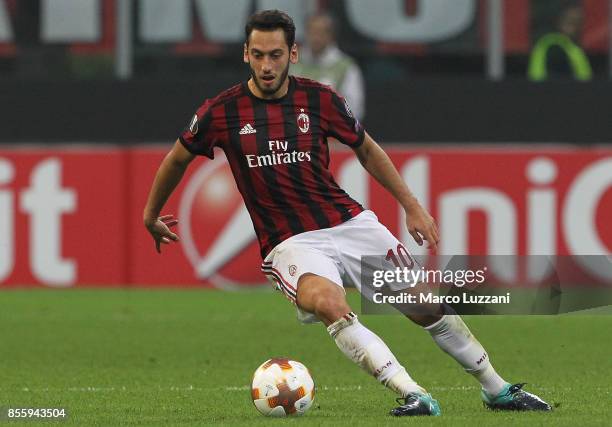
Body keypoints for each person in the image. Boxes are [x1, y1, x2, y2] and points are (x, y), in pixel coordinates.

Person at [143, 10, 551, 416]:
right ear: (245, 55)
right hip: (290, 243)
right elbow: (177, 159)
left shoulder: (319, 99)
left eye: (276, 54)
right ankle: (412, 393)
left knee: (426, 304)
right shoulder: (222, 111)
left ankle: (496, 390)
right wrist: (151, 214)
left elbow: (367, 149)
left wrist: (412, 206)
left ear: (293, 53)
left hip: (349, 223)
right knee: (328, 304)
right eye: (258, 54)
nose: (267, 66)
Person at [290, 13, 365, 120]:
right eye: (312, 31)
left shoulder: (346, 67)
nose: (315, 37)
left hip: (329, 130)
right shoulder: (292, 61)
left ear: (331, 35)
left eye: (321, 32)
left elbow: (355, 109)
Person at [528, 1, 592, 81]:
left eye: (579, 23)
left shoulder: (579, 49)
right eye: (571, 22)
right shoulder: (550, 49)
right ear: (558, 21)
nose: (575, 28)